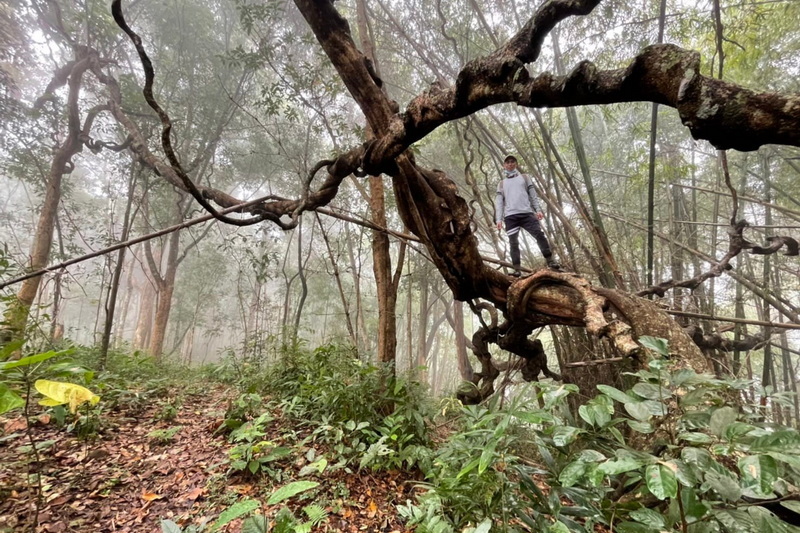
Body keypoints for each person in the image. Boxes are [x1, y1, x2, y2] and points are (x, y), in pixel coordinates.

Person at [495, 155, 561, 275]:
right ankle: (517, 269)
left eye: (512, 162)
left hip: (527, 213)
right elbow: (499, 203)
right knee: (513, 242)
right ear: (504, 165)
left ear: (516, 164)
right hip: (511, 216)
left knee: (539, 235)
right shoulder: (501, 184)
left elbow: (533, 195)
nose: (510, 164)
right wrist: (498, 219)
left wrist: (538, 210)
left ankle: (550, 260)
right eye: (507, 162)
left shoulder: (525, 178)